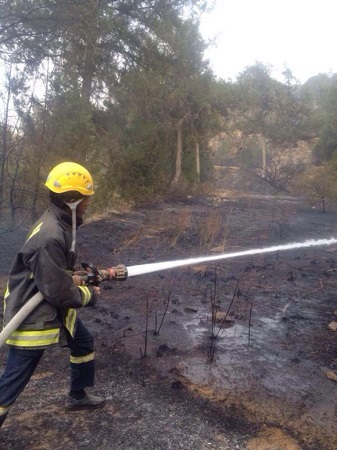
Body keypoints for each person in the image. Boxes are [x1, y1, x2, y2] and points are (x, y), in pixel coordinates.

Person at [0, 162, 126, 428]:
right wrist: (89, 294)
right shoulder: (51, 235)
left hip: (47, 305)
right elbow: (58, 291)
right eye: (86, 197)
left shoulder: (61, 223)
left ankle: (77, 396)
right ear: (71, 200)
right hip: (31, 315)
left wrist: (80, 277)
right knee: (13, 380)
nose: (89, 202)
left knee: (83, 342)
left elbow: (55, 275)